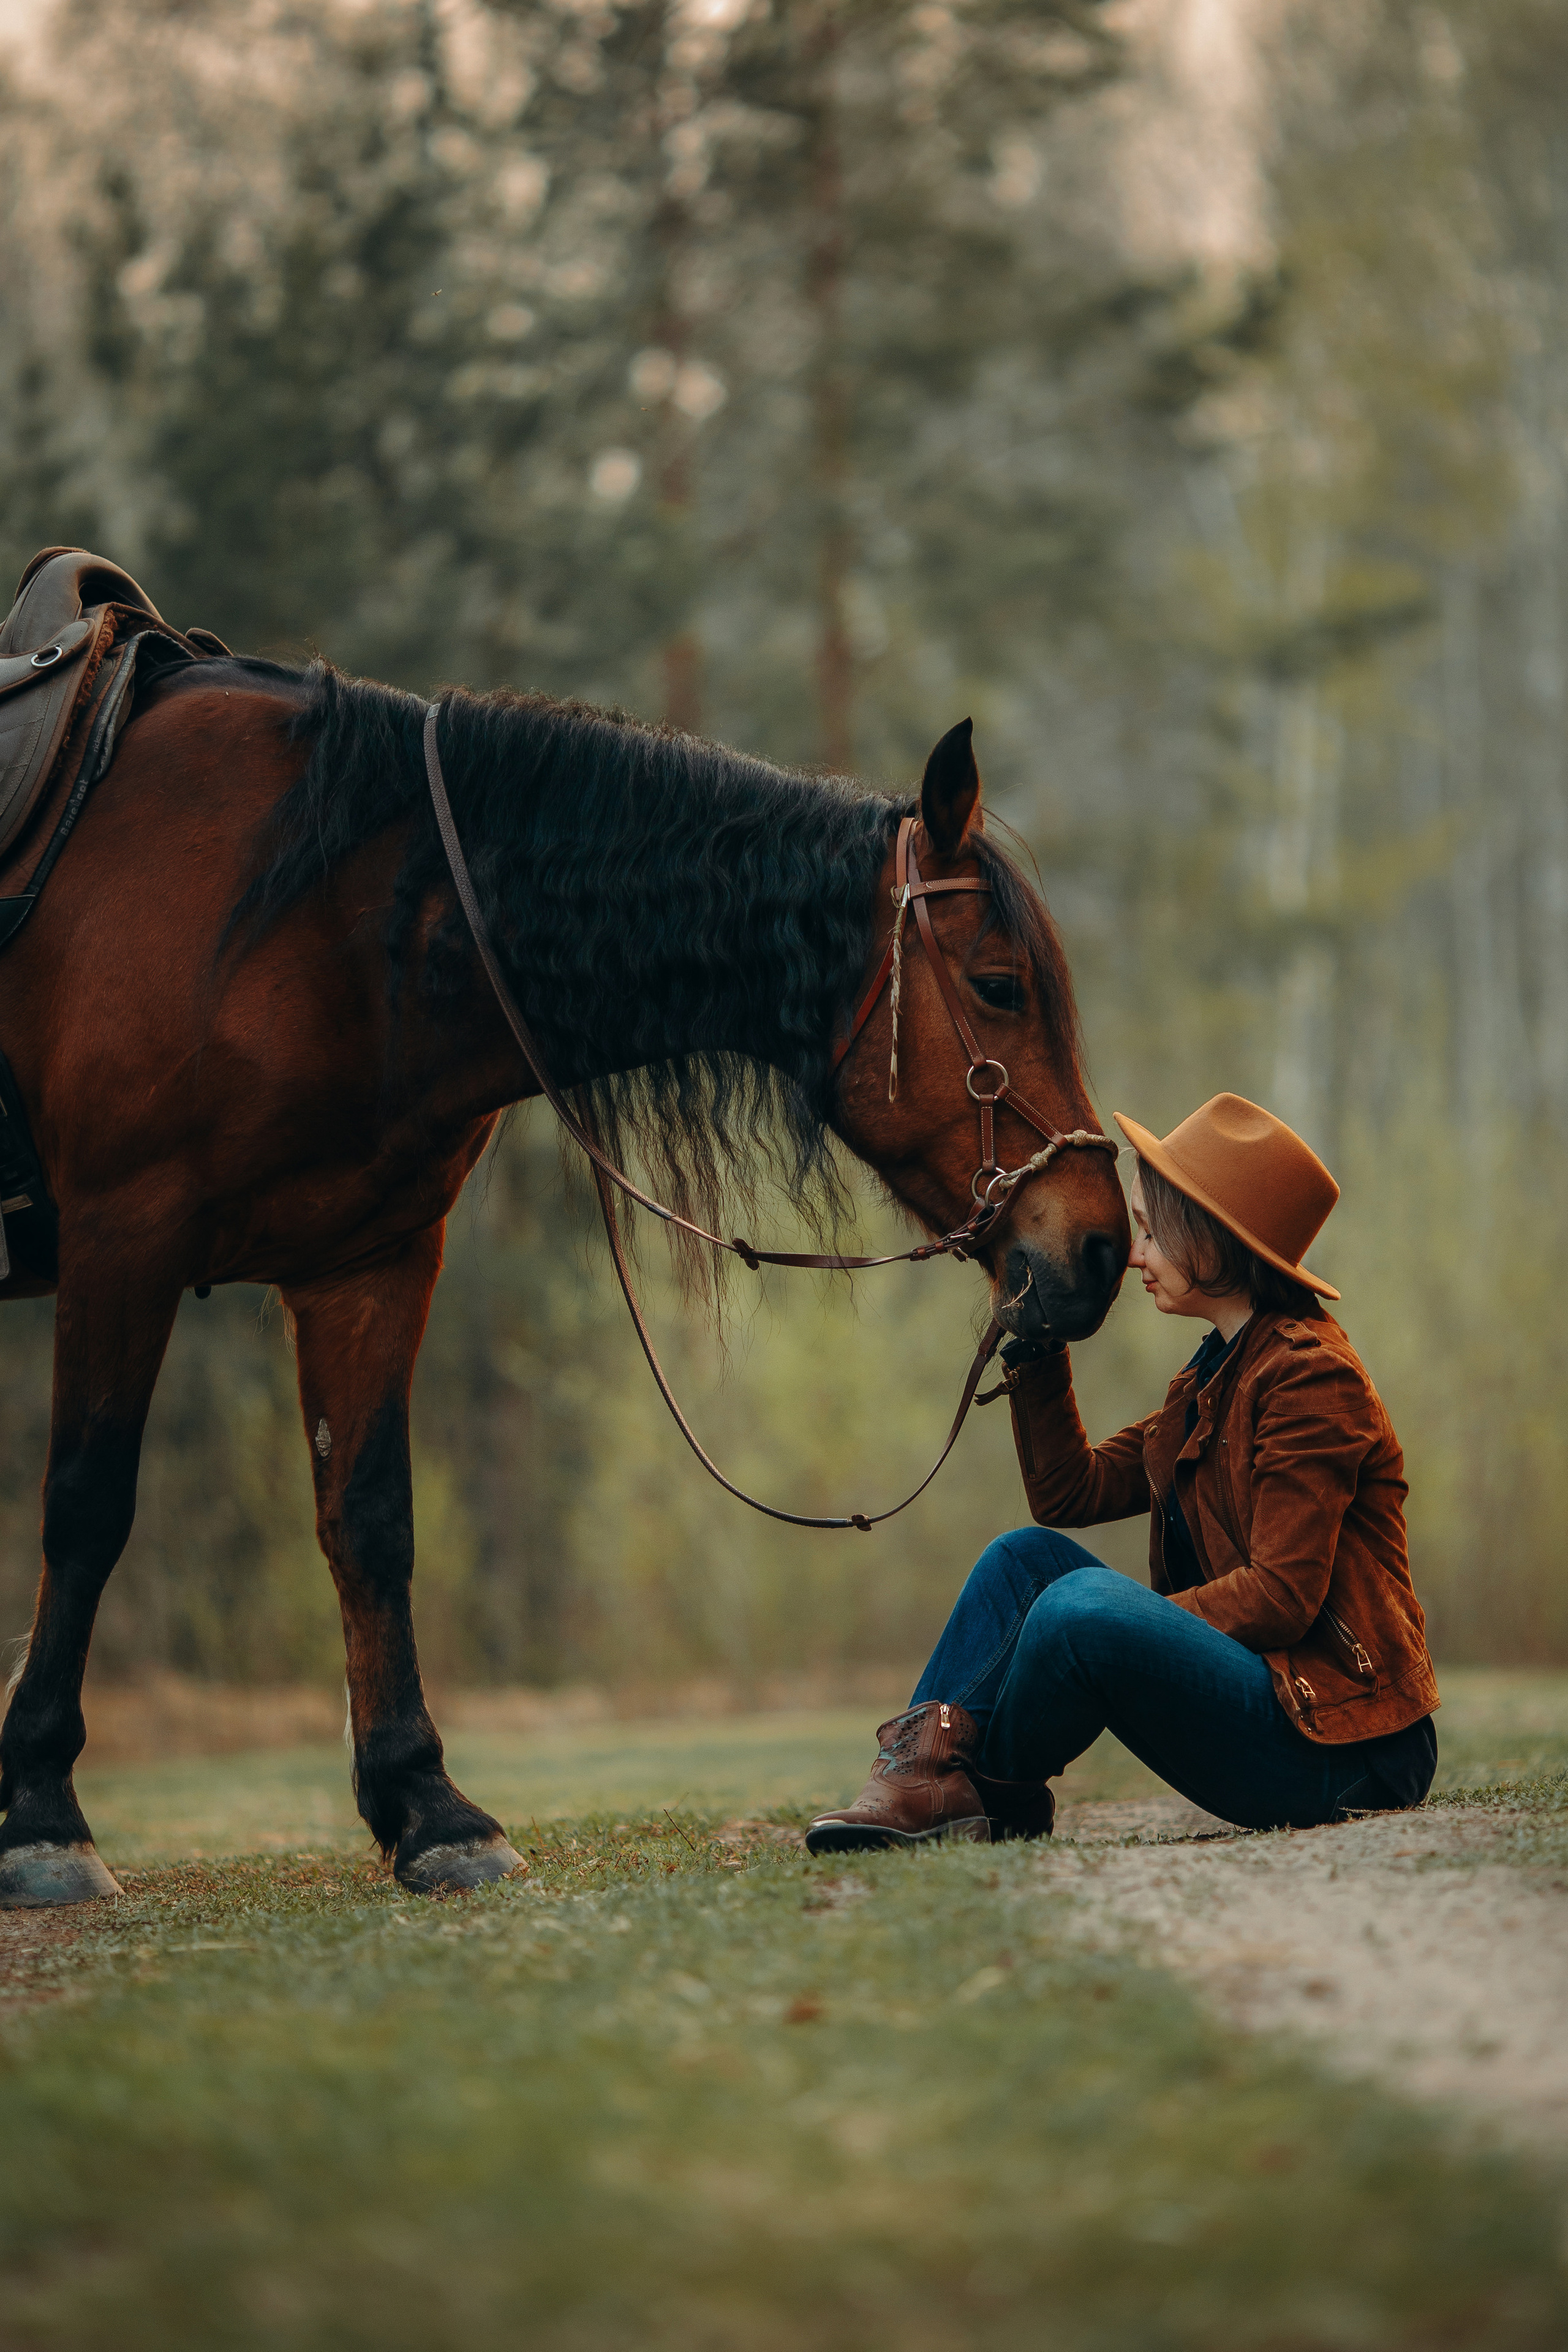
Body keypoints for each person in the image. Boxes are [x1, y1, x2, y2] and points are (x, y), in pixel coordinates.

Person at [806, 1093, 1438, 1852]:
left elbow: (1281, 1599)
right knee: (1022, 1561)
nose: (1135, 1255)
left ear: (1214, 1236)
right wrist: (1035, 1345)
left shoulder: (1310, 1380)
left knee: (1081, 1608)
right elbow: (1067, 1493)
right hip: (1281, 1708)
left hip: (1345, 1748)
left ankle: (978, 1794)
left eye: (1151, 1232)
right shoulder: (1212, 1380)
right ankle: (919, 1775)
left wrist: (1138, 1626)